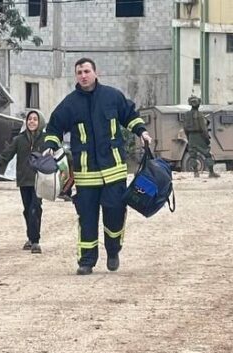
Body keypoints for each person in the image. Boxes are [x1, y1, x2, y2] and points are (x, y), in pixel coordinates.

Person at [42, 58, 153, 275]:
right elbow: (54, 127)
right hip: (86, 175)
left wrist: (142, 132)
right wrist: (49, 145)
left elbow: (130, 116)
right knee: (87, 218)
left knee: (114, 211)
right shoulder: (70, 104)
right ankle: (87, 261)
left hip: (114, 170)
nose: (83, 75)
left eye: (86, 71)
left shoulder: (112, 97)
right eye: (79, 72)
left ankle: (113, 250)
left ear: (95, 72)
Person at [0, 110, 49, 253]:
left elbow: (57, 155)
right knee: (27, 210)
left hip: (39, 180)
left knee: (35, 209)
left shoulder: (45, 139)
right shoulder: (19, 140)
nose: (31, 122)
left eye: (35, 119)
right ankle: (30, 237)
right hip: (23, 180)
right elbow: (4, 157)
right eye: (29, 119)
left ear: (40, 122)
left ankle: (35, 241)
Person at [182, 96, 219, 179]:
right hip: (200, 136)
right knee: (207, 154)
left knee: (192, 156)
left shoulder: (186, 115)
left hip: (191, 136)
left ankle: (195, 173)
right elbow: (204, 129)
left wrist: (189, 137)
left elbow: (185, 128)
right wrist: (206, 139)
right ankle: (211, 172)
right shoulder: (200, 115)